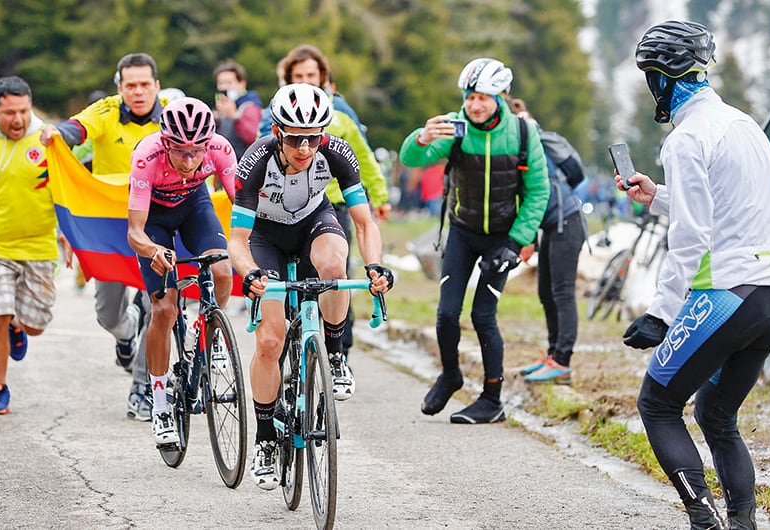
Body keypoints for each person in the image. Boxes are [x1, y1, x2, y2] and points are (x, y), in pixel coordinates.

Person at [619, 21, 770, 529]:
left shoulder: (685, 138)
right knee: (716, 412)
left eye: (651, 76)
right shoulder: (744, 124)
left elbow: (691, 235)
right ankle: (742, 525)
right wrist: (658, 196)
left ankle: (703, 518)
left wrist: (661, 313)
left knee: (658, 403)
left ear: (663, 80)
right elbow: (726, 209)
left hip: (726, 295)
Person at [229, 83, 393, 490]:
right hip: (264, 237)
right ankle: (265, 440)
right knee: (270, 340)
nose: (305, 148)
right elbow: (236, 239)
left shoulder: (336, 152)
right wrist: (250, 273)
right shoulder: (254, 162)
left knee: (336, 267)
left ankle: (335, 355)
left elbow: (364, 222)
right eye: (296, 138)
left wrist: (375, 266)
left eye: (314, 138)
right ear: (278, 132)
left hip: (313, 223)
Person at [400, 57, 549, 424]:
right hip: (463, 233)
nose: (475, 105)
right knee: (447, 313)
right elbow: (412, 158)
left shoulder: (523, 134)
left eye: (483, 97)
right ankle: (450, 375)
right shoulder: (455, 129)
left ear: (500, 96)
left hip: (503, 237)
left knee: (484, 315)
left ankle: (492, 398)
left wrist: (516, 243)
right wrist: (421, 137)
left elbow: (538, 192)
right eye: (469, 98)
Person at [40, 52, 162, 422]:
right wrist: (56, 133)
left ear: (156, 86)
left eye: (145, 85)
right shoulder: (106, 111)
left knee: (160, 307)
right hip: (112, 226)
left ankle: (142, 388)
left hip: (160, 221)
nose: (138, 92)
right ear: (120, 87)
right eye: (130, 86)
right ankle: (126, 334)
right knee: (108, 314)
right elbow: (75, 130)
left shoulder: (171, 113)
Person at [276, 44, 392, 399]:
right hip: (285, 211)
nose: (306, 81)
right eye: (299, 77)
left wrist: (380, 195)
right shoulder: (279, 115)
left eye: (312, 75)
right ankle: (291, 341)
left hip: (334, 203)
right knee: (292, 286)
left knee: (335, 274)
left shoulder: (340, 115)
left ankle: (340, 351)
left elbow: (364, 158)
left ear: (324, 78)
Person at [126, 97, 237, 445]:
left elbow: (243, 204)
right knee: (164, 308)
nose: (189, 161)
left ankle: (208, 334)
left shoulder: (220, 148)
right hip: (154, 219)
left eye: (196, 151)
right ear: (165, 142)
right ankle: (159, 404)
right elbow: (135, 232)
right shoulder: (147, 156)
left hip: (194, 206)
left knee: (221, 271)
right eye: (180, 151)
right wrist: (154, 251)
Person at [0, 76, 60, 414]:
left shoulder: (49, 139)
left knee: (36, 324)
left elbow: (69, 192)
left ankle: (19, 327)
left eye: (23, 111)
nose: (17, 120)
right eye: (9, 113)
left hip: (39, 247)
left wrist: (72, 235)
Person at [509, 98, 587, 385]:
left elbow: (538, 196)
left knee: (563, 292)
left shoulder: (535, 147)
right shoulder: (520, 149)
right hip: (552, 226)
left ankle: (562, 361)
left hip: (567, 222)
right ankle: (553, 354)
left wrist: (527, 237)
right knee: (546, 291)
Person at [212, 60, 262, 159]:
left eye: (229, 82)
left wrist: (234, 116)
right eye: (221, 83)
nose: (224, 87)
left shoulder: (249, 106)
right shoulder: (222, 109)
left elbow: (254, 138)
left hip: (243, 166)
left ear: (242, 84)